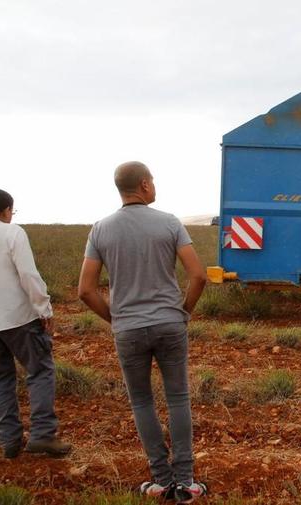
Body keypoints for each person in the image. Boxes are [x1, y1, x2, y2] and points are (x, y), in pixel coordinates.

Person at [78, 162, 207, 503]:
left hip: (128, 329)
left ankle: (161, 482)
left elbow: (85, 290)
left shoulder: (100, 230)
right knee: (178, 398)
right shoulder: (169, 223)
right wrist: (183, 314)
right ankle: (186, 483)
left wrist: (116, 320)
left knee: (141, 401)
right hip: (169, 324)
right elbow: (199, 276)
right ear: (145, 185)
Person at [0, 188, 71, 458]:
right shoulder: (12, 233)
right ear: (5, 211)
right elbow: (28, 274)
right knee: (40, 370)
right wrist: (44, 309)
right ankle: (43, 435)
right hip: (16, 318)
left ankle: (10, 441)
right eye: (11, 211)